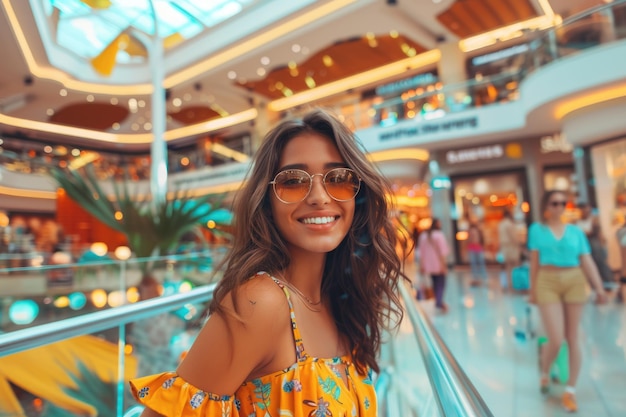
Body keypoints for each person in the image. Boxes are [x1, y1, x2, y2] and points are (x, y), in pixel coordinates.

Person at [129, 109, 406, 416]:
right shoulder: (259, 303)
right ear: (267, 201)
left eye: (338, 178)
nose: (318, 197)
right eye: (293, 181)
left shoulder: (339, 301)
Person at [527, 190, 608, 413]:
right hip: (547, 280)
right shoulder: (537, 230)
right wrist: (532, 290)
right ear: (546, 205)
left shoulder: (576, 232)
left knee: (573, 338)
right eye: (555, 203)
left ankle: (570, 390)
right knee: (556, 337)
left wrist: (599, 288)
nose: (560, 207)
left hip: (574, 279)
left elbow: (586, 260)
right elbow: (534, 262)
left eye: (563, 203)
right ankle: (544, 372)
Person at [576, 202, 614, 288]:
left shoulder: (594, 219)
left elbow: (596, 232)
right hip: (585, 246)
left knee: (600, 260)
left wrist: (603, 243)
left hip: (594, 245)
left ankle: (607, 281)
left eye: (587, 208)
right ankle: (594, 284)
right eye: (583, 209)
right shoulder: (576, 222)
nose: (585, 211)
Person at [418, 218, 450, 312]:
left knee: (434, 283)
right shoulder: (439, 235)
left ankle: (438, 301)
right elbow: (442, 252)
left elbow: (420, 252)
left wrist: (422, 265)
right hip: (438, 265)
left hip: (428, 266)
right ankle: (439, 302)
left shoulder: (423, 236)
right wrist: (444, 265)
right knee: (441, 284)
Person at [498, 209, 520, 291]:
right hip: (511, 247)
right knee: (514, 266)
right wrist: (519, 245)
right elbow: (513, 237)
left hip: (504, 247)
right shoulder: (509, 224)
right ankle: (515, 284)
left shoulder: (501, 224)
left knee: (508, 267)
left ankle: (509, 284)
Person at [467, 222, 487, 286]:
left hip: (477, 248)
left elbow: (479, 239)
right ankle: (477, 278)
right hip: (474, 248)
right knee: (475, 264)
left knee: (479, 264)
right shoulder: (471, 231)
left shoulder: (477, 231)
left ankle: (482, 278)